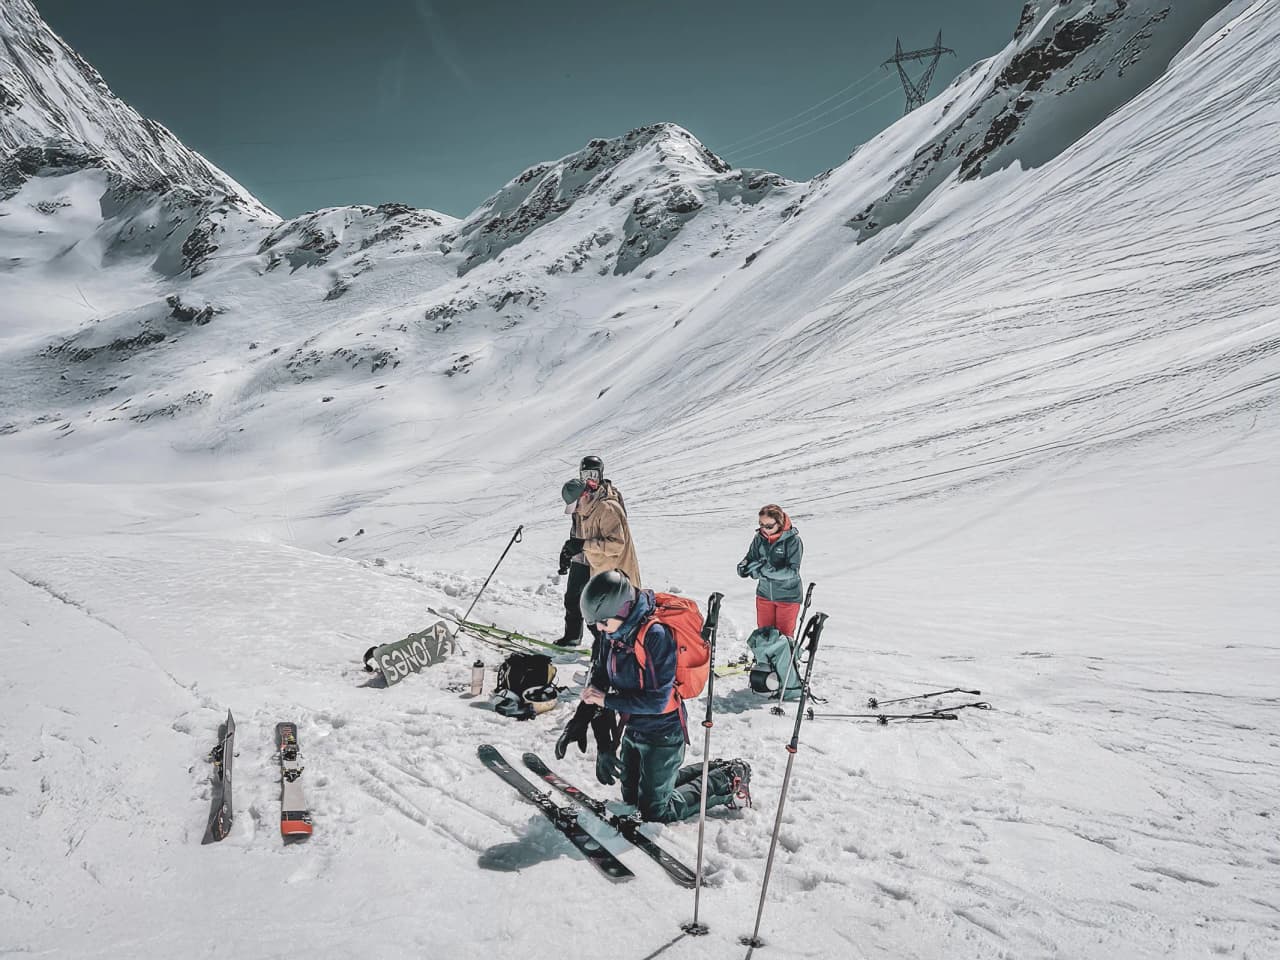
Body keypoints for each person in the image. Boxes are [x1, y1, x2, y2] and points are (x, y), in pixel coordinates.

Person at [558, 570, 751, 822]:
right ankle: (712, 770)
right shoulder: (612, 635)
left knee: (654, 811)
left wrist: (606, 701)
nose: (599, 629)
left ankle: (727, 780)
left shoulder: (655, 636)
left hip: (664, 733)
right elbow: (600, 681)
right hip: (634, 728)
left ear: (623, 609)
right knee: (633, 800)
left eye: (603, 622)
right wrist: (586, 726)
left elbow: (657, 701)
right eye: (595, 624)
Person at [737, 504, 804, 638]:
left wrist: (764, 572)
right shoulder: (759, 538)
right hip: (764, 594)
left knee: (783, 638)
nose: (764, 529)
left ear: (779, 523)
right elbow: (751, 557)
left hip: (788, 596)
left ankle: (787, 659)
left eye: (769, 526)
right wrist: (743, 567)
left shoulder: (793, 541)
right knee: (763, 635)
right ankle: (763, 659)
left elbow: (792, 571)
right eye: (761, 525)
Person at [555, 477, 589, 647]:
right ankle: (572, 636)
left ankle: (603, 643)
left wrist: (581, 545)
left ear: (584, 495)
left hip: (596, 561)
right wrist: (567, 552)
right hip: (580, 560)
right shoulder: (577, 511)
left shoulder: (598, 508)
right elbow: (576, 536)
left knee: (593, 603)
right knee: (571, 599)